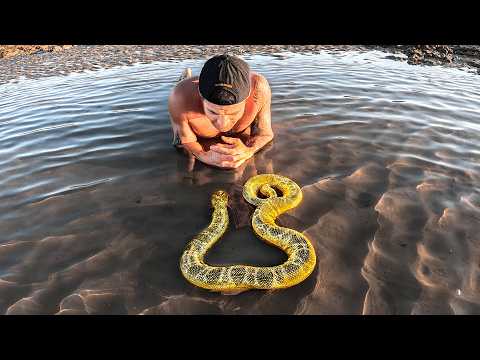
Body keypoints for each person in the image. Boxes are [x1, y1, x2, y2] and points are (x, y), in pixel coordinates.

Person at [168, 54, 274, 169]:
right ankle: (185, 78)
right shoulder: (180, 97)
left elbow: (265, 134)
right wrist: (203, 156)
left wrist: (249, 151)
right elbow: (184, 142)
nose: (222, 124)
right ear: (200, 96)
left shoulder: (259, 89)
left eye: (233, 113)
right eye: (213, 112)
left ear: (248, 96)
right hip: (186, 90)